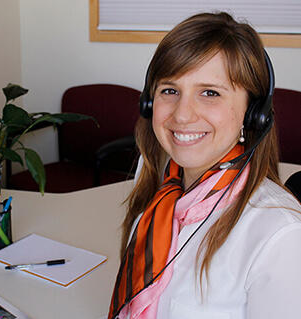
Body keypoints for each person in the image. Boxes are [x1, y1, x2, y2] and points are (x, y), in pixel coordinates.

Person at [108, 12, 301, 319]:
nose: (183, 115)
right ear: (149, 103)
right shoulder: (159, 187)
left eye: (210, 93)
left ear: (253, 114)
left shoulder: (279, 234)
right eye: (170, 90)